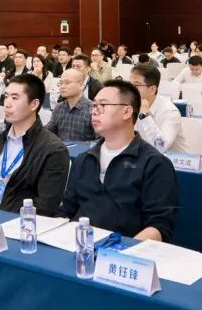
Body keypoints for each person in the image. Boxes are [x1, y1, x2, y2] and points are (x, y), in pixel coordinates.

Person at [57, 80, 179, 242]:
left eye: (103, 105)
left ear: (127, 112)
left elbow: (159, 226)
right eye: (94, 105)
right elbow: (67, 210)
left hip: (124, 249)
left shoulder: (154, 163)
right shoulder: (84, 159)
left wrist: (122, 251)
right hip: (79, 245)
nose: (95, 111)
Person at [0, 74, 69, 215]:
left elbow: (45, 206)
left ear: (34, 104)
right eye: (6, 96)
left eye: (15, 98)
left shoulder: (53, 150)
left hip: (17, 222)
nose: (7, 104)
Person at [129, 63, 187, 152]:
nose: (129, 89)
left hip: (169, 159)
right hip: (142, 155)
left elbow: (160, 147)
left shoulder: (170, 112)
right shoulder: (130, 105)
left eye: (136, 85)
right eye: (129, 84)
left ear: (152, 89)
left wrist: (145, 116)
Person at [45, 68, 95, 142]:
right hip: (61, 148)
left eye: (67, 83)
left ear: (81, 85)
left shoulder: (92, 109)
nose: (62, 86)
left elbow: (100, 140)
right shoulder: (59, 107)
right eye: (60, 83)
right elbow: (48, 131)